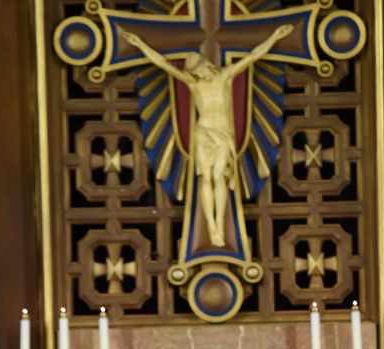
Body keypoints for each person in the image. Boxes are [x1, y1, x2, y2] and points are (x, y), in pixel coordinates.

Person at [118, 24, 293, 247]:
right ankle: (210, 224)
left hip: (222, 135)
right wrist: (140, 45)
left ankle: (219, 223)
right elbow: (162, 63)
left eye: (199, 68)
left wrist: (275, 35)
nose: (198, 73)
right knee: (206, 178)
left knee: (219, 176)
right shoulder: (194, 84)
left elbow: (253, 56)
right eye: (194, 71)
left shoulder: (225, 77)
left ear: (207, 66)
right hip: (203, 133)